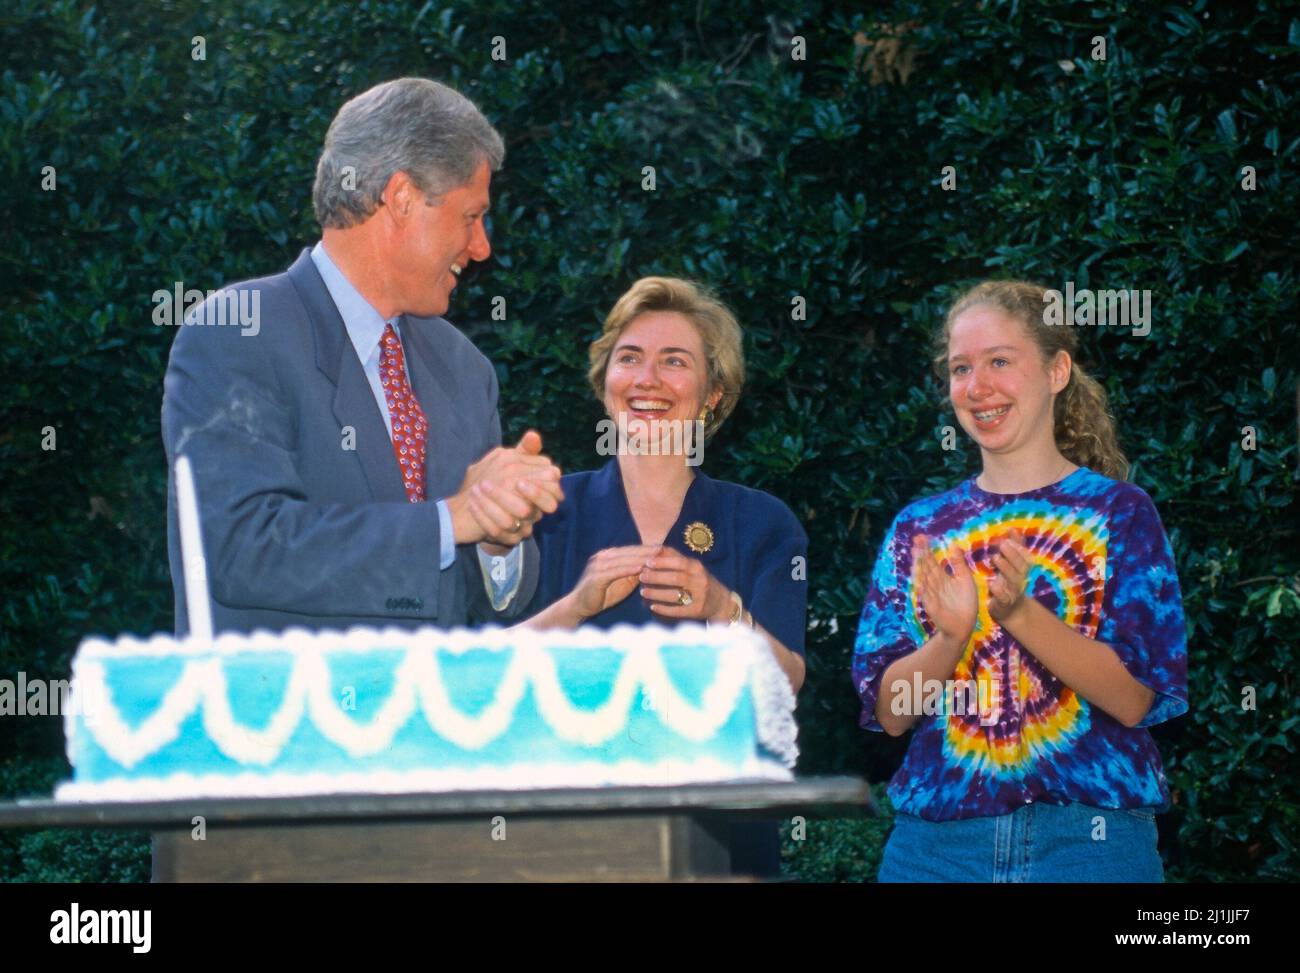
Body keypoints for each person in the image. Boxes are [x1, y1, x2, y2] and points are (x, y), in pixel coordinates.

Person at [161, 78, 562, 636]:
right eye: (471, 217)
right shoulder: (238, 331)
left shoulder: (466, 370)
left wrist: (498, 536)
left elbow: (487, 602)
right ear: (401, 199)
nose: (481, 248)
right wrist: (450, 521)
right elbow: (239, 550)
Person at [852, 279, 1188, 883]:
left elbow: (1136, 698)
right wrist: (947, 640)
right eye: (960, 368)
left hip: (1091, 846)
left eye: (1000, 361)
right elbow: (892, 712)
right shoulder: (919, 528)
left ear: (1057, 370)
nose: (976, 387)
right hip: (936, 851)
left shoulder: (1120, 513)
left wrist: (1021, 615)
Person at [499, 276, 807, 876]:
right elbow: (479, 675)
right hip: (565, 844)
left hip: (721, 840)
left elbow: (787, 683)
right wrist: (574, 608)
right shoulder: (544, 510)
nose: (647, 380)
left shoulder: (762, 522)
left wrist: (724, 609)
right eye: (630, 359)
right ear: (604, 381)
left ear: (713, 393)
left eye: (674, 362)